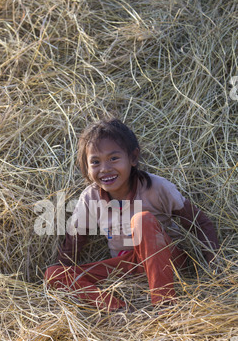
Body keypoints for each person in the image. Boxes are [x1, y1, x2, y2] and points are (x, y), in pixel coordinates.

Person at [44, 118, 219, 312]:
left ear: (133, 158)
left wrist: (213, 264)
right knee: (53, 274)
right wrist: (62, 271)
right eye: (95, 162)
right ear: (86, 167)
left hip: (167, 262)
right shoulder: (90, 198)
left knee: (142, 220)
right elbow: (74, 242)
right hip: (127, 268)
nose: (105, 168)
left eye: (113, 158)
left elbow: (200, 222)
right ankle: (118, 310)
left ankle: (164, 306)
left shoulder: (156, 188)